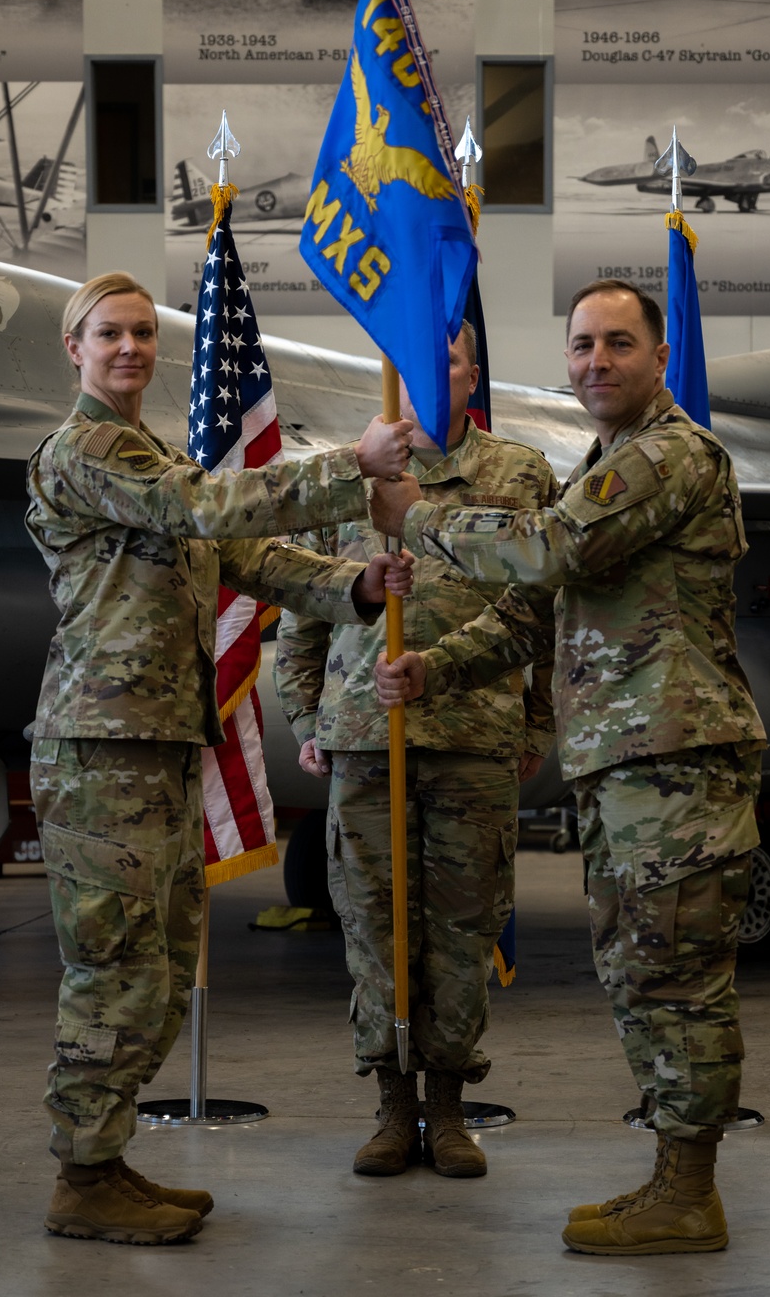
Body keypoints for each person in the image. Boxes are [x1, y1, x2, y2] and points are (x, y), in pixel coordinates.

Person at [370, 280, 766, 1255]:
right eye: (581, 344)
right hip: (625, 760)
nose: (595, 361)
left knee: (677, 976)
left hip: (672, 758)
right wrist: (435, 663)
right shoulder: (609, 460)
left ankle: (690, 1189)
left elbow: (549, 549)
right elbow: (534, 613)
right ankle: (673, 1177)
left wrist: (418, 516)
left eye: (617, 343)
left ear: (658, 354)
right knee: (639, 970)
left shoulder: (671, 455)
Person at [26, 272, 414, 1245]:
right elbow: (201, 504)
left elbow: (254, 561)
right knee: (114, 964)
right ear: (74, 348)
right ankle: (81, 1173)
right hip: (99, 750)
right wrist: (345, 469)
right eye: (107, 332)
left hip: (154, 743)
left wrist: (357, 584)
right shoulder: (83, 449)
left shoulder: (147, 452)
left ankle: (105, 1158)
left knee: (153, 966)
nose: (127, 347)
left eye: (140, 332)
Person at [274, 321, 557, 1179]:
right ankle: (394, 1106)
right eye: (416, 356)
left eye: (454, 355)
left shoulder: (520, 475)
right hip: (366, 739)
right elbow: (305, 606)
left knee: (463, 931)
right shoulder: (355, 472)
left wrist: (536, 725)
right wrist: (307, 717)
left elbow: (542, 609)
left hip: (474, 738)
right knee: (373, 930)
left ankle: (449, 1106)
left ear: (476, 372)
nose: (437, 371)